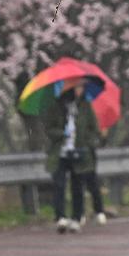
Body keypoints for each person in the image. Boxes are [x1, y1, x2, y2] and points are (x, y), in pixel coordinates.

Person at [42, 78, 102, 233]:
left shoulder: (85, 106)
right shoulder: (56, 106)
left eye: (82, 87)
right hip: (60, 152)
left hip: (79, 152)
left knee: (77, 186)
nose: (80, 90)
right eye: (77, 87)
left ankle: (77, 217)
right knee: (59, 185)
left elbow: (93, 128)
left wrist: (87, 142)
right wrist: (62, 134)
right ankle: (60, 216)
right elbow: (49, 128)